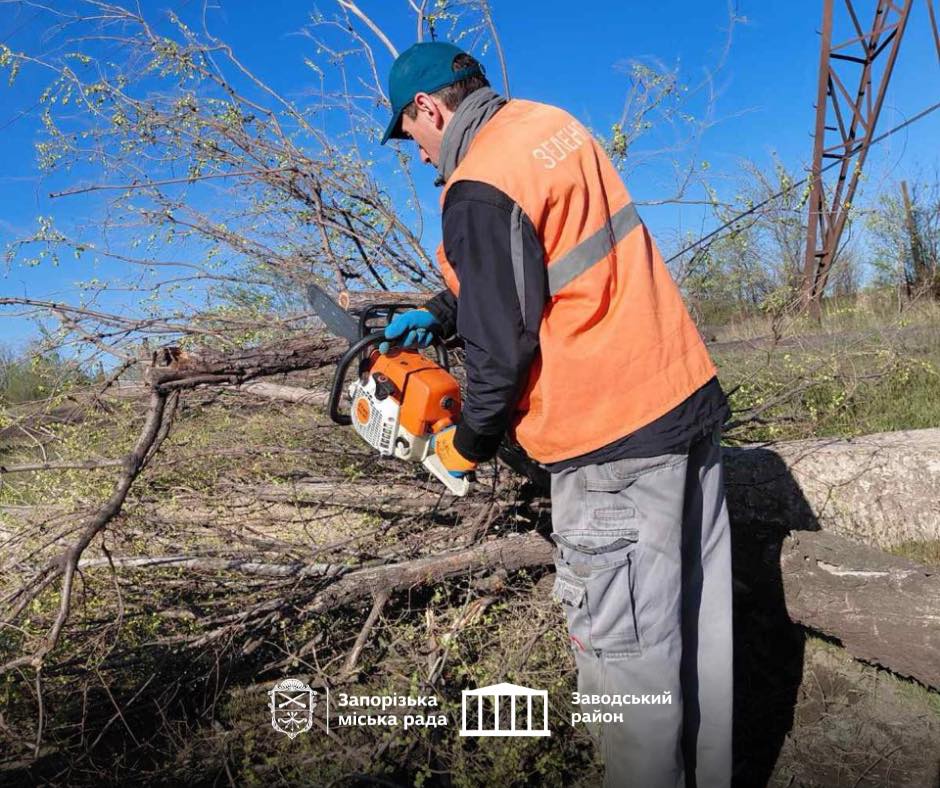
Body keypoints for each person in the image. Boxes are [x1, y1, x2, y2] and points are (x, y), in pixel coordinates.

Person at [379, 41, 733, 788]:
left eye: (411, 136)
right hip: (680, 402)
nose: (419, 155)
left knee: (627, 669)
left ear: (429, 108)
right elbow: (545, 257)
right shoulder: (550, 126)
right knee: (700, 638)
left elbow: (500, 353)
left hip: (609, 446)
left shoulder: (476, 183)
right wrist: (443, 308)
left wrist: (465, 444)